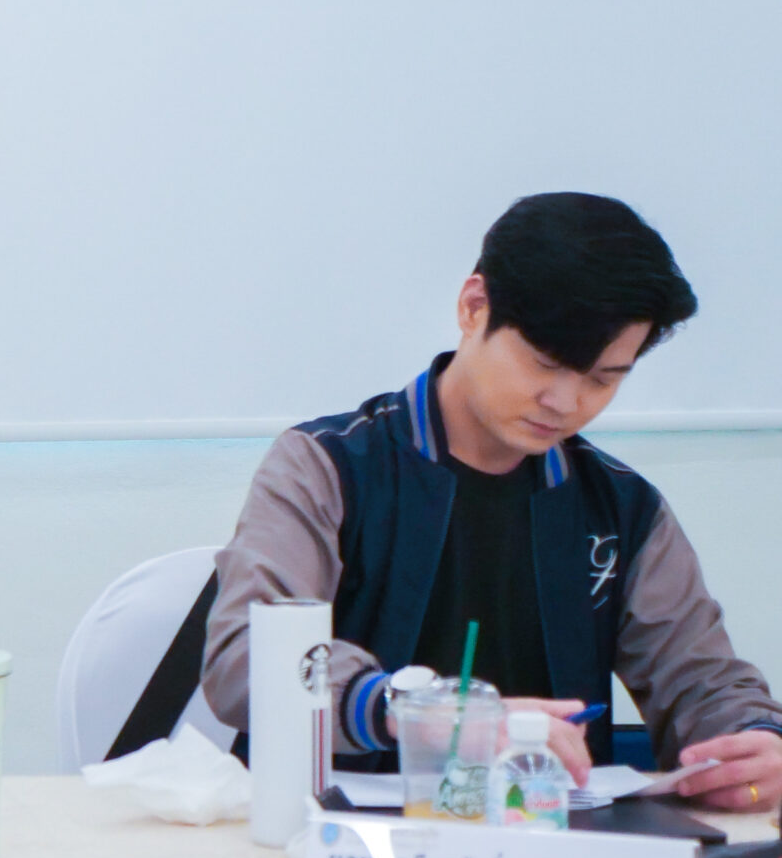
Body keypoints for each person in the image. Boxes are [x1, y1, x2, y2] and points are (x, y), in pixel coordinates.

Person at [203, 193, 782, 809]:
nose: (565, 402)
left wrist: (756, 740)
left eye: (602, 379)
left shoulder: (622, 509)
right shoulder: (329, 466)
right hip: (328, 837)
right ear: (474, 306)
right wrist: (412, 710)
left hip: (548, 842)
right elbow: (245, 656)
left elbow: (701, 679)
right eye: (546, 363)